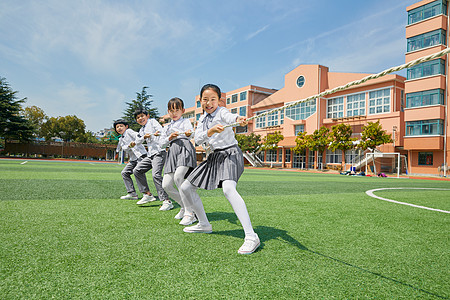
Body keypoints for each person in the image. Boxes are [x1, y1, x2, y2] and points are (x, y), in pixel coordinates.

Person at [179, 84, 260, 255]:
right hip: (214, 157)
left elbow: (231, 117)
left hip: (230, 154)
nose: (209, 103)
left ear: (219, 100)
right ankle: (204, 224)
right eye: (205, 100)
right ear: (201, 101)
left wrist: (239, 119)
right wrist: (211, 130)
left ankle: (251, 236)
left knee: (229, 189)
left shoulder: (222, 112)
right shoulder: (202, 120)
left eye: (213, 99)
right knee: (186, 187)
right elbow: (198, 140)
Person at [160, 97, 198, 225]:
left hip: (184, 149)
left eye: (177, 110)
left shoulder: (186, 122)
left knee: (179, 177)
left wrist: (187, 134)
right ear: (168, 112)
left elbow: (191, 133)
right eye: (171, 110)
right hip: (171, 152)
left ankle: (190, 213)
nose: (174, 113)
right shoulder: (166, 127)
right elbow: (161, 143)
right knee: (166, 185)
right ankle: (185, 206)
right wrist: (169, 137)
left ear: (183, 111)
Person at [132, 109, 172, 211]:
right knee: (137, 170)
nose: (140, 119)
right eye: (138, 118)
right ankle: (147, 194)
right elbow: (138, 141)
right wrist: (143, 138)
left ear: (147, 116)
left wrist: (155, 134)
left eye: (142, 116)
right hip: (150, 155)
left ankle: (166, 201)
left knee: (156, 175)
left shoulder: (153, 122)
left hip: (159, 152)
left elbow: (161, 132)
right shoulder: (141, 130)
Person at [114, 119, 148, 200]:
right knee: (125, 173)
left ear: (126, 126)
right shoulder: (120, 139)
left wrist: (135, 142)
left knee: (138, 172)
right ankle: (132, 193)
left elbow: (137, 136)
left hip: (141, 156)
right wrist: (129, 145)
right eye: (117, 127)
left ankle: (147, 194)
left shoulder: (129, 131)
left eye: (121, 126)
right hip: (133, 159)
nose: (119, 128)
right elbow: (125, 148)